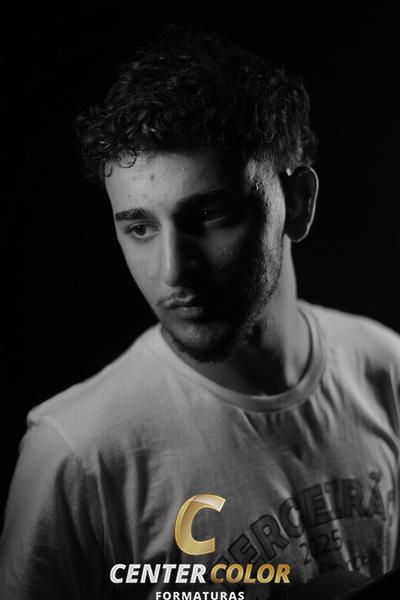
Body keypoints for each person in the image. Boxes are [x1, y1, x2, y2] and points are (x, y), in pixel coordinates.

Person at [1, 28, 399, 600]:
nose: (173, 272)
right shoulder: (77, 454)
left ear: (299, 204)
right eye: (140, 227)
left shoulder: (386, 369)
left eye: (210, 215)